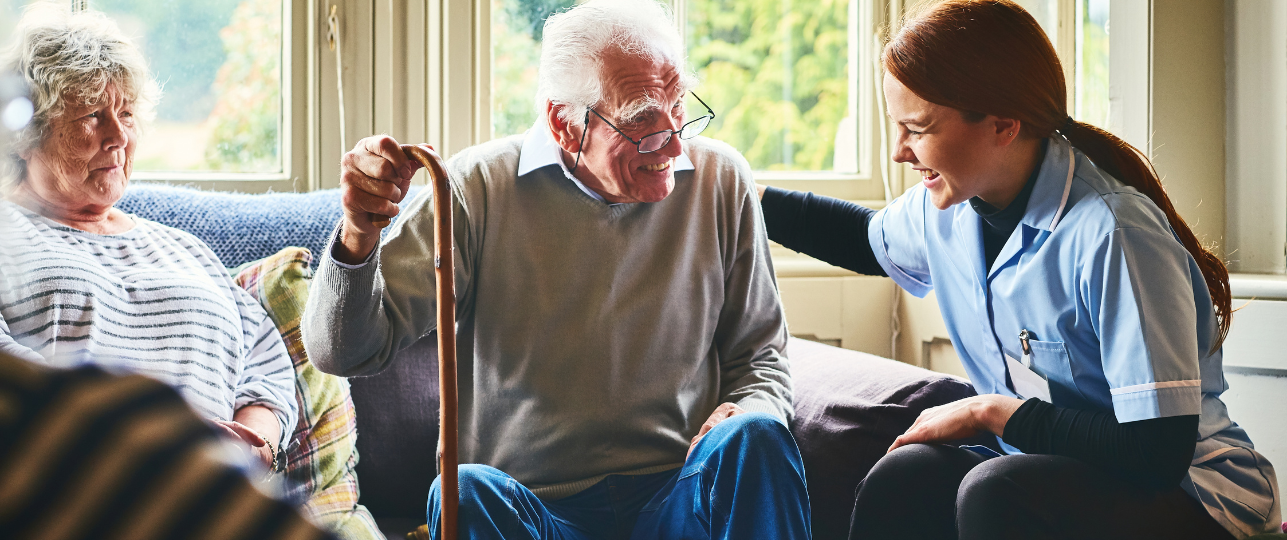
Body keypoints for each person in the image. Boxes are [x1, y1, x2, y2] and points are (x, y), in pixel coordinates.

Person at [759, 1, 1280, 539]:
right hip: (1061, 472)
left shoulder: (1115, 237)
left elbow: (1155, 452)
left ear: (1003, 125)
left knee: (995, 488)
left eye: (917, 129)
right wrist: (735, 194)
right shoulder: (951, 206)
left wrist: (993, 413)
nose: (898, 152)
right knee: (907, 475)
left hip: (1191, 493)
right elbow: (863, 240)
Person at [301, 0, 810, 538]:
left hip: (681, 493)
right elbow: (344, 351)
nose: (675, 145)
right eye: (642, 119)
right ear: (564, 124)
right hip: (536, 512)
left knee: (757, 432)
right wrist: (359, 234)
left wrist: (752, 406)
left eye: (678, 106)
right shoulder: (477, 188)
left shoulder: (720, 179)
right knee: (465, 489)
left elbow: (761, 357)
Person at [0, 3, 296, 479]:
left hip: (214, 501)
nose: (119, 136)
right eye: (94, 116)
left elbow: (267, 366)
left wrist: (256, 445)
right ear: (28, 132)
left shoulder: (187, 249)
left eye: (127, 113)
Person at [0, 351, 339, 540]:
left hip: (218, 471)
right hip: (80, 446)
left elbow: (268, 375)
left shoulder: (196, 254)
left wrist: (256, 446)